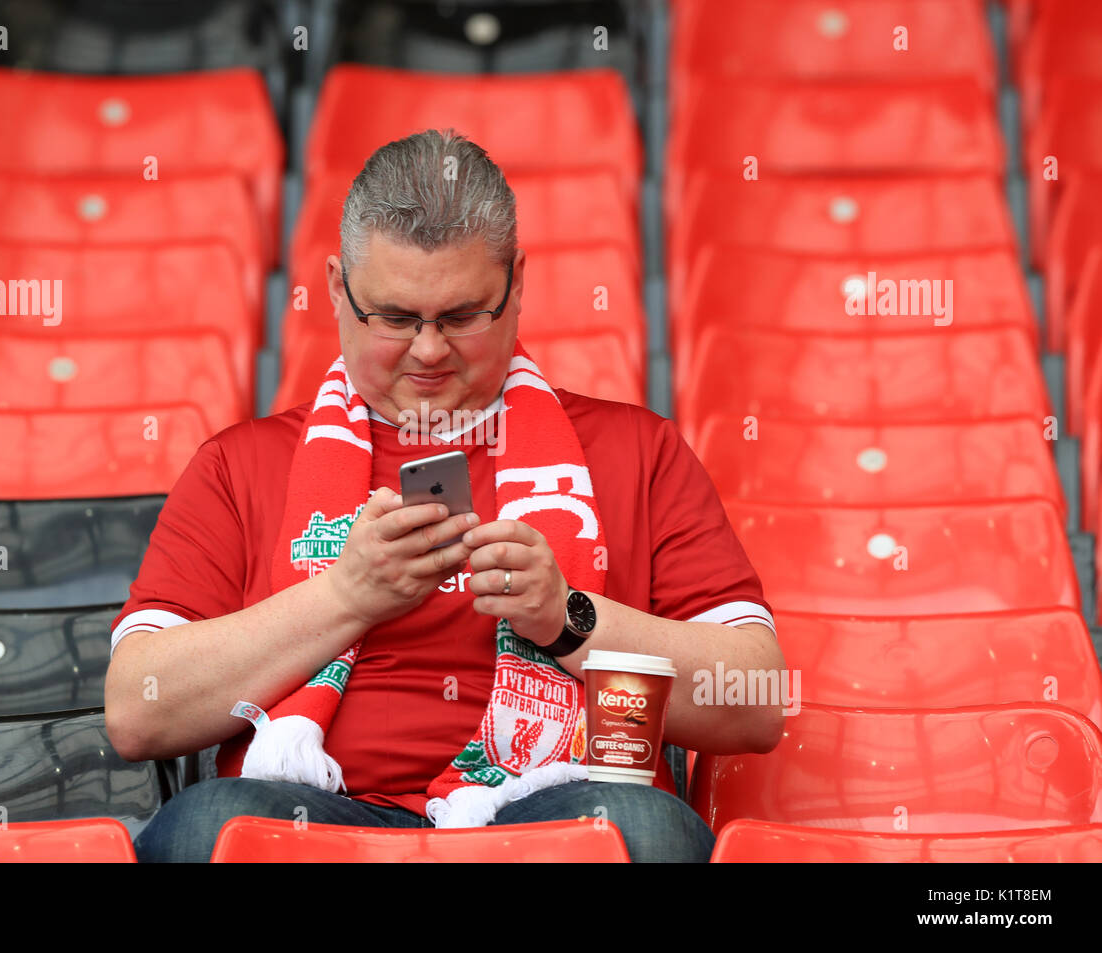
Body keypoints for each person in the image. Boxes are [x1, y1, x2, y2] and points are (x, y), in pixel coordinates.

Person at [106, 129, 785, 863]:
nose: (429, 350)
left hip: (550, 812)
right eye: (395, 318)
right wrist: (347, 596)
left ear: (517, 284)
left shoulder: (636, 450)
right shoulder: (240, 464)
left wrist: (567, 617)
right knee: (209, 826)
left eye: (462, 315)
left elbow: (753, 700)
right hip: (315, 819)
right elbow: (137, 711)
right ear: (337, 288)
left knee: (641, 831)